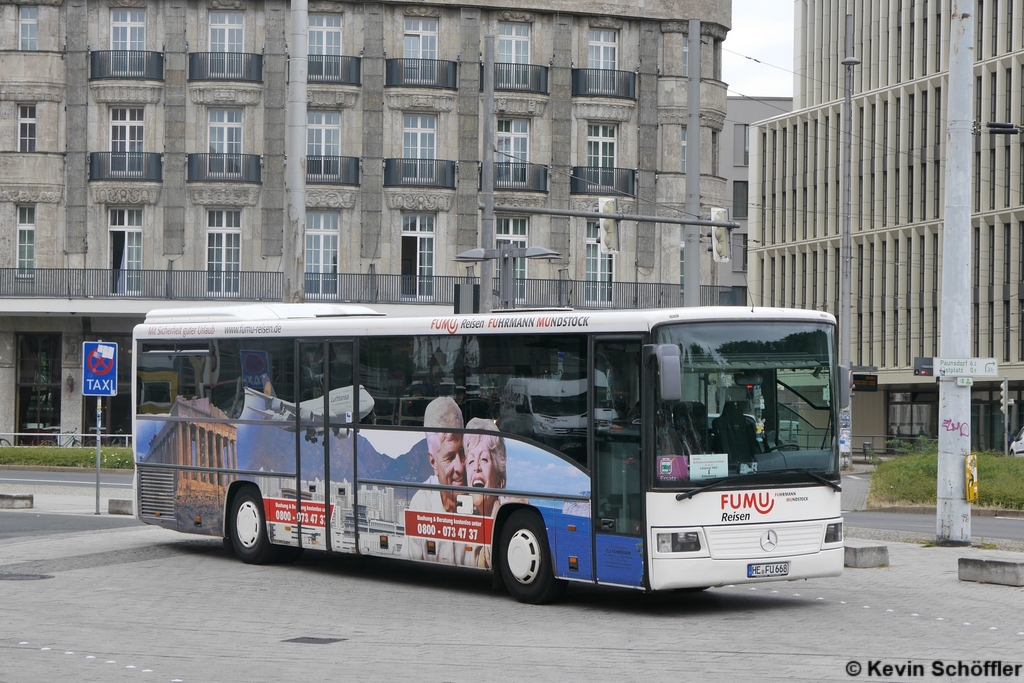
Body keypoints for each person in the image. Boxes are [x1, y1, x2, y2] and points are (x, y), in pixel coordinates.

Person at [406, 396, 466, 564]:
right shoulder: (421, 503)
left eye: (462, 452)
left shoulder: (482, 497)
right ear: (433, 462)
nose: (460, 467)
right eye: (449, 457)